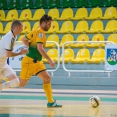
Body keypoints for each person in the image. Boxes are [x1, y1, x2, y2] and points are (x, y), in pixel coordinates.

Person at [19, 14, 62, 107]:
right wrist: (50, 60)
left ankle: (51, 102)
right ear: (43, 23)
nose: (50, 26)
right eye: (48, 24)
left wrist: (30, 47)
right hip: (29, 62)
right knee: (21, 84)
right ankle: (4, 79)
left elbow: (24, 39)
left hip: (37, 62)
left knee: (47, 78)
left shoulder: (36, 30)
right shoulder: (41, 33)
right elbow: (40, 48)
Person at [0, 20, 28, 92]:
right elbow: (8, 54)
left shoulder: (13, 36)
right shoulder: (10, 38)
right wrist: (20, 53)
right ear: (17, 27)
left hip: (3, 63)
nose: (22, 29)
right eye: (21, 27)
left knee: (16, 82)